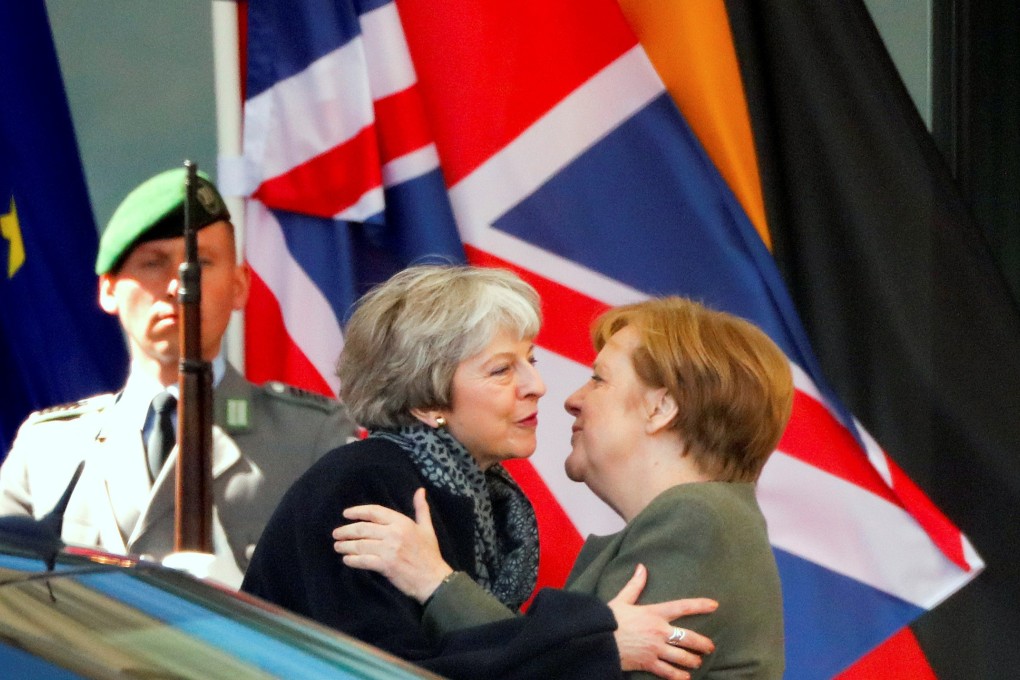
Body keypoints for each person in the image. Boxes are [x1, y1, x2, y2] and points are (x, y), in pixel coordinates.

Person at [242, 266, 716, 680]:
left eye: (530, 361)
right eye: (501, 371)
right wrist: (596, 644)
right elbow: (388, 671)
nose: (537, 386)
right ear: (427, 401)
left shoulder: (485, 494)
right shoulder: (362, 484)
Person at [334, 296, 793, 679]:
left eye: (598, 379)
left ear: (661, 408)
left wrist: (435, 581)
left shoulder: (697, 520)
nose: (572, 400)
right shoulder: (702, 523)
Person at [0, 168, 357, 586]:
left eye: (201, 263)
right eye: (152, 263)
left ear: (240, 285)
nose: (176, 285)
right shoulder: (50, 448)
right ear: (109, 289)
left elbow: (346, 604)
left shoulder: (311, 437)